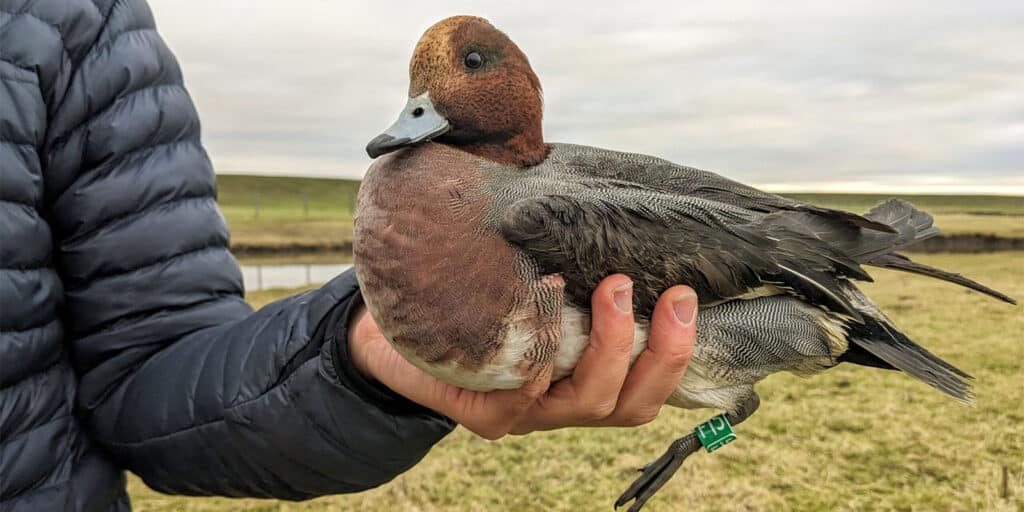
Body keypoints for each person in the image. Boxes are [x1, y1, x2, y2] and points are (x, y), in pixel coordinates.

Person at [0, 1, 697, 510]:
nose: (417, 107)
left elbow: (146, 376)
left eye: (469, 66)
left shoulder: (73, 22)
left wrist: (357, 354)